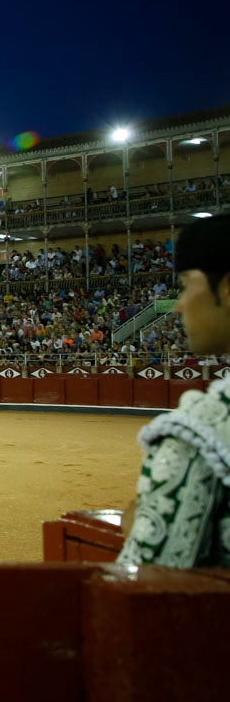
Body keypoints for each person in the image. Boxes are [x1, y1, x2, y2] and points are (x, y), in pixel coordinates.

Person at [116, 214, 230, 568]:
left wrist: (140, 529)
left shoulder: (205, 429)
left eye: (184, 283)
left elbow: (153, 583)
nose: (179, 304)